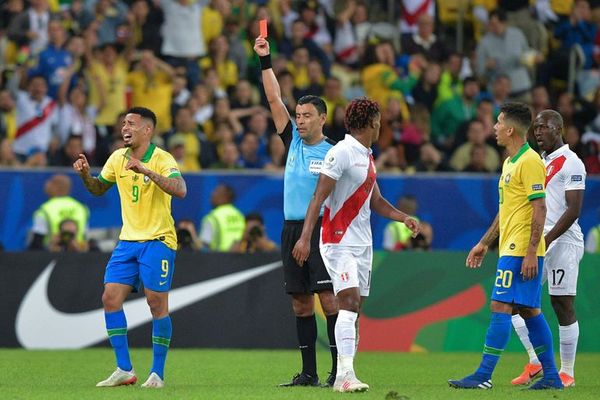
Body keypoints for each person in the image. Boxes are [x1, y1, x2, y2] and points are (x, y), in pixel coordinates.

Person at [292, 98, 420, 392]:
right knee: (347, 303)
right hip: (338, 241)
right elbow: (318, 197)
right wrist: (304, 237)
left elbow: (375, 201)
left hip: (363, 244)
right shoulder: (342, 153)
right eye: (380, 121)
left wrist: (403, 218)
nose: (381, 126)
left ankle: (344, 374)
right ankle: (345, 375)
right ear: (373, 122)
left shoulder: (366, 155)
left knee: (354, 310)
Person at [448, 103, 563, 390]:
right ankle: (551, 376)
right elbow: (506, 210)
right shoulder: (510, 161)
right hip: (510, 246)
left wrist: (530, 252)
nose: (495, 128)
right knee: (529, 310)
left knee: (500, 304)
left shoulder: (530, 161)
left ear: (510, 129)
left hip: (520, 249)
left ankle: (483, 375)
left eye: (498, 123)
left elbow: (540, 208)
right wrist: (484, 243)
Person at [73, 107, 187, 388]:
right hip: (127, 242)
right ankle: (124, 369)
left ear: (147, 130)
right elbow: (98, 188)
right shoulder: (117, 158)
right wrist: (86, 175)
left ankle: (157, 374)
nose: (125, 127)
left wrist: (147, 170)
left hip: (158, 240)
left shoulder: (162, 158)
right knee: (110, 298)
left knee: (156, 302)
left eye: (132, 123)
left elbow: (181, 189)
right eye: (123, 122)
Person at [254, 35, 339, 388]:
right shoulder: (291, 142)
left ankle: (340, 371)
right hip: (292, 230)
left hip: (321, 230)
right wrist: (265, 60)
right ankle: (309, 373)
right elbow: (273, 97)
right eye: (298, 115)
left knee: (329, 300)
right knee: (301, 304)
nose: (300, 121)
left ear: (322, 117)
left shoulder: (335, 153)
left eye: (307, 116)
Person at [510, 110, 586, 388]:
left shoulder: (572, 163)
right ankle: (535, 360)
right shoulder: (539, 161)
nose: (538, 132)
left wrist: (548, 238)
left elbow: (574, 209)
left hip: (563, 241)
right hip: (539, 241)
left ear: (558, 128)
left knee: (561, 304)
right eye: (536, 128)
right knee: (517, 300)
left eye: (544, 127)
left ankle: (567, 372)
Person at [29, 174, 89, 250]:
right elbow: (85, 238)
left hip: (51, 256)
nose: (46, 185)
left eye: (50, 182)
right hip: (79, 256)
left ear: (56, 187)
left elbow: (36, 243)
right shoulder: (81, 208)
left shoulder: (45, 210)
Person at [198, 184, 245, 251]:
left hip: (220, 259)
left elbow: (203, 245)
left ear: (225, 197)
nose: (212, 194)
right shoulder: (239, 215)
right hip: (240, 258)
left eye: (216, 192)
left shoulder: (213, 217)